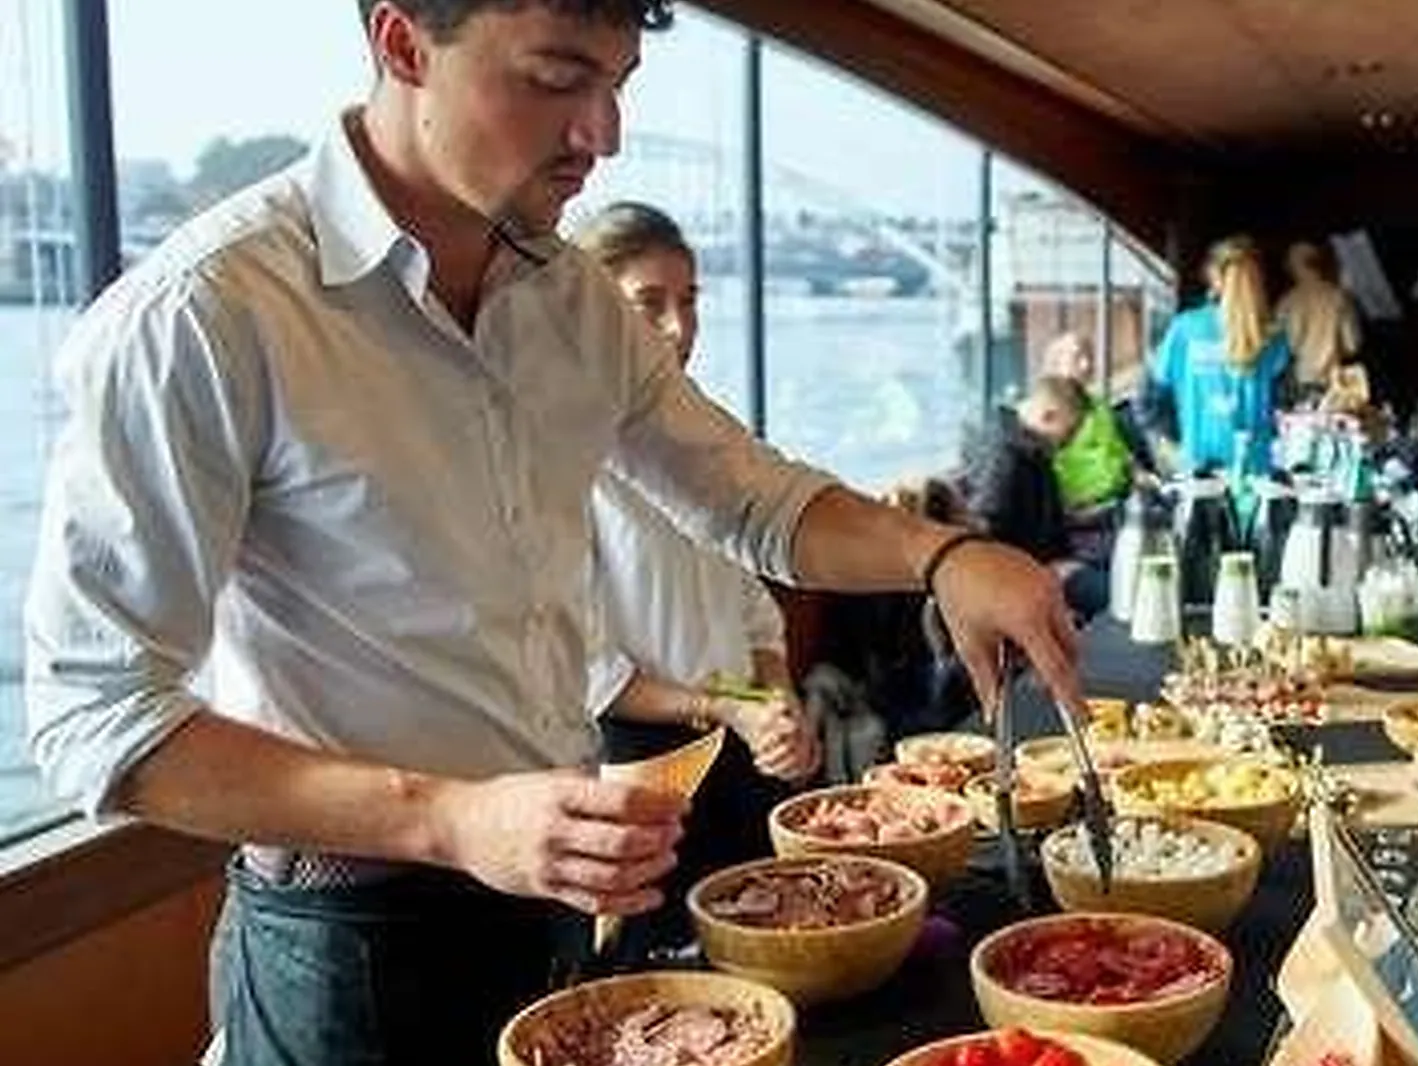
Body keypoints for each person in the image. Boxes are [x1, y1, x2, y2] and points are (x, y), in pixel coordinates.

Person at [22, 3, 1085, 1063]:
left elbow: (748, 497)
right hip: (348, 937)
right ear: (401, 43)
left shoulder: (570, 295)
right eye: (558, 77)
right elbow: (93, 717)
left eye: (618, 83)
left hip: (556, 904)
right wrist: (450, 819)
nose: (602, 134)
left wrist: (944, 555)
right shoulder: (206, 311)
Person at [572, 201, 818, 947]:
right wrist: (736, 708)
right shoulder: (561, 461)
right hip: (640, 770)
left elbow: (752, 609)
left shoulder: (708, 442)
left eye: (689, 300)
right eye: (649, 303)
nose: (679, 327)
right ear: (591, 313)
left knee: (765, 955)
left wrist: (776, 702)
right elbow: (593, 673)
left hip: (737, 751)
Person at [968, 375, 1114, 620]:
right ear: (1049, 416)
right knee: (1121, 595)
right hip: (1030, 576)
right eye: (1068, 433)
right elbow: (986, 544)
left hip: (1055, 561)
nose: (1066, 444)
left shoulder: (1031, 450)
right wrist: (1045, 571)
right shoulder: (1005, 459)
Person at [1144, 235, 1291, 476]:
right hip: (1256, 473)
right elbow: (1286, 408)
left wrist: (1168, 445)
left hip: (1197, 470)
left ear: (1213, 276)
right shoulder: (1273, 337)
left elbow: (1148, 400)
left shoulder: (1185, 329)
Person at [1275, 239, 1362, 400]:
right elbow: (1352, 345)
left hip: (1300, 380)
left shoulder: (1288, 302)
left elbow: (1283, 349)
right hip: (1334, 382)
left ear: (1295, 265)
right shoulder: (1340, 297)